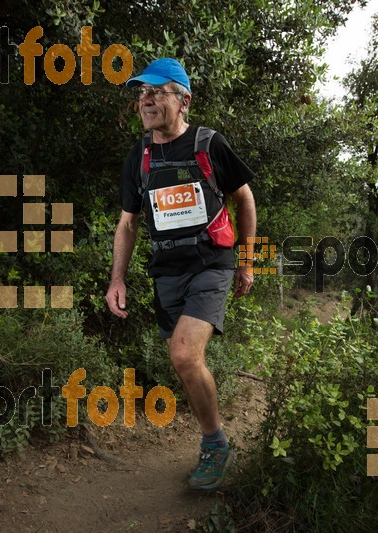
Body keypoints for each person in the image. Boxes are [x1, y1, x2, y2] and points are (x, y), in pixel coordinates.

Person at [105, 58, 256, 490]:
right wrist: (117, 279)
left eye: (158, 91)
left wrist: (247, 262)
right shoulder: (140, 155)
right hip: (167, 272)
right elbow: (128, 223)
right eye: (141, 93)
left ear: (184, 100)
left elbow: (244, 199)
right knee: (184, 358)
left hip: (211, 263)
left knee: (184, 355)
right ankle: (213, 433)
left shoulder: (209, 144)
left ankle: (215, 444)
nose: (147, 99)